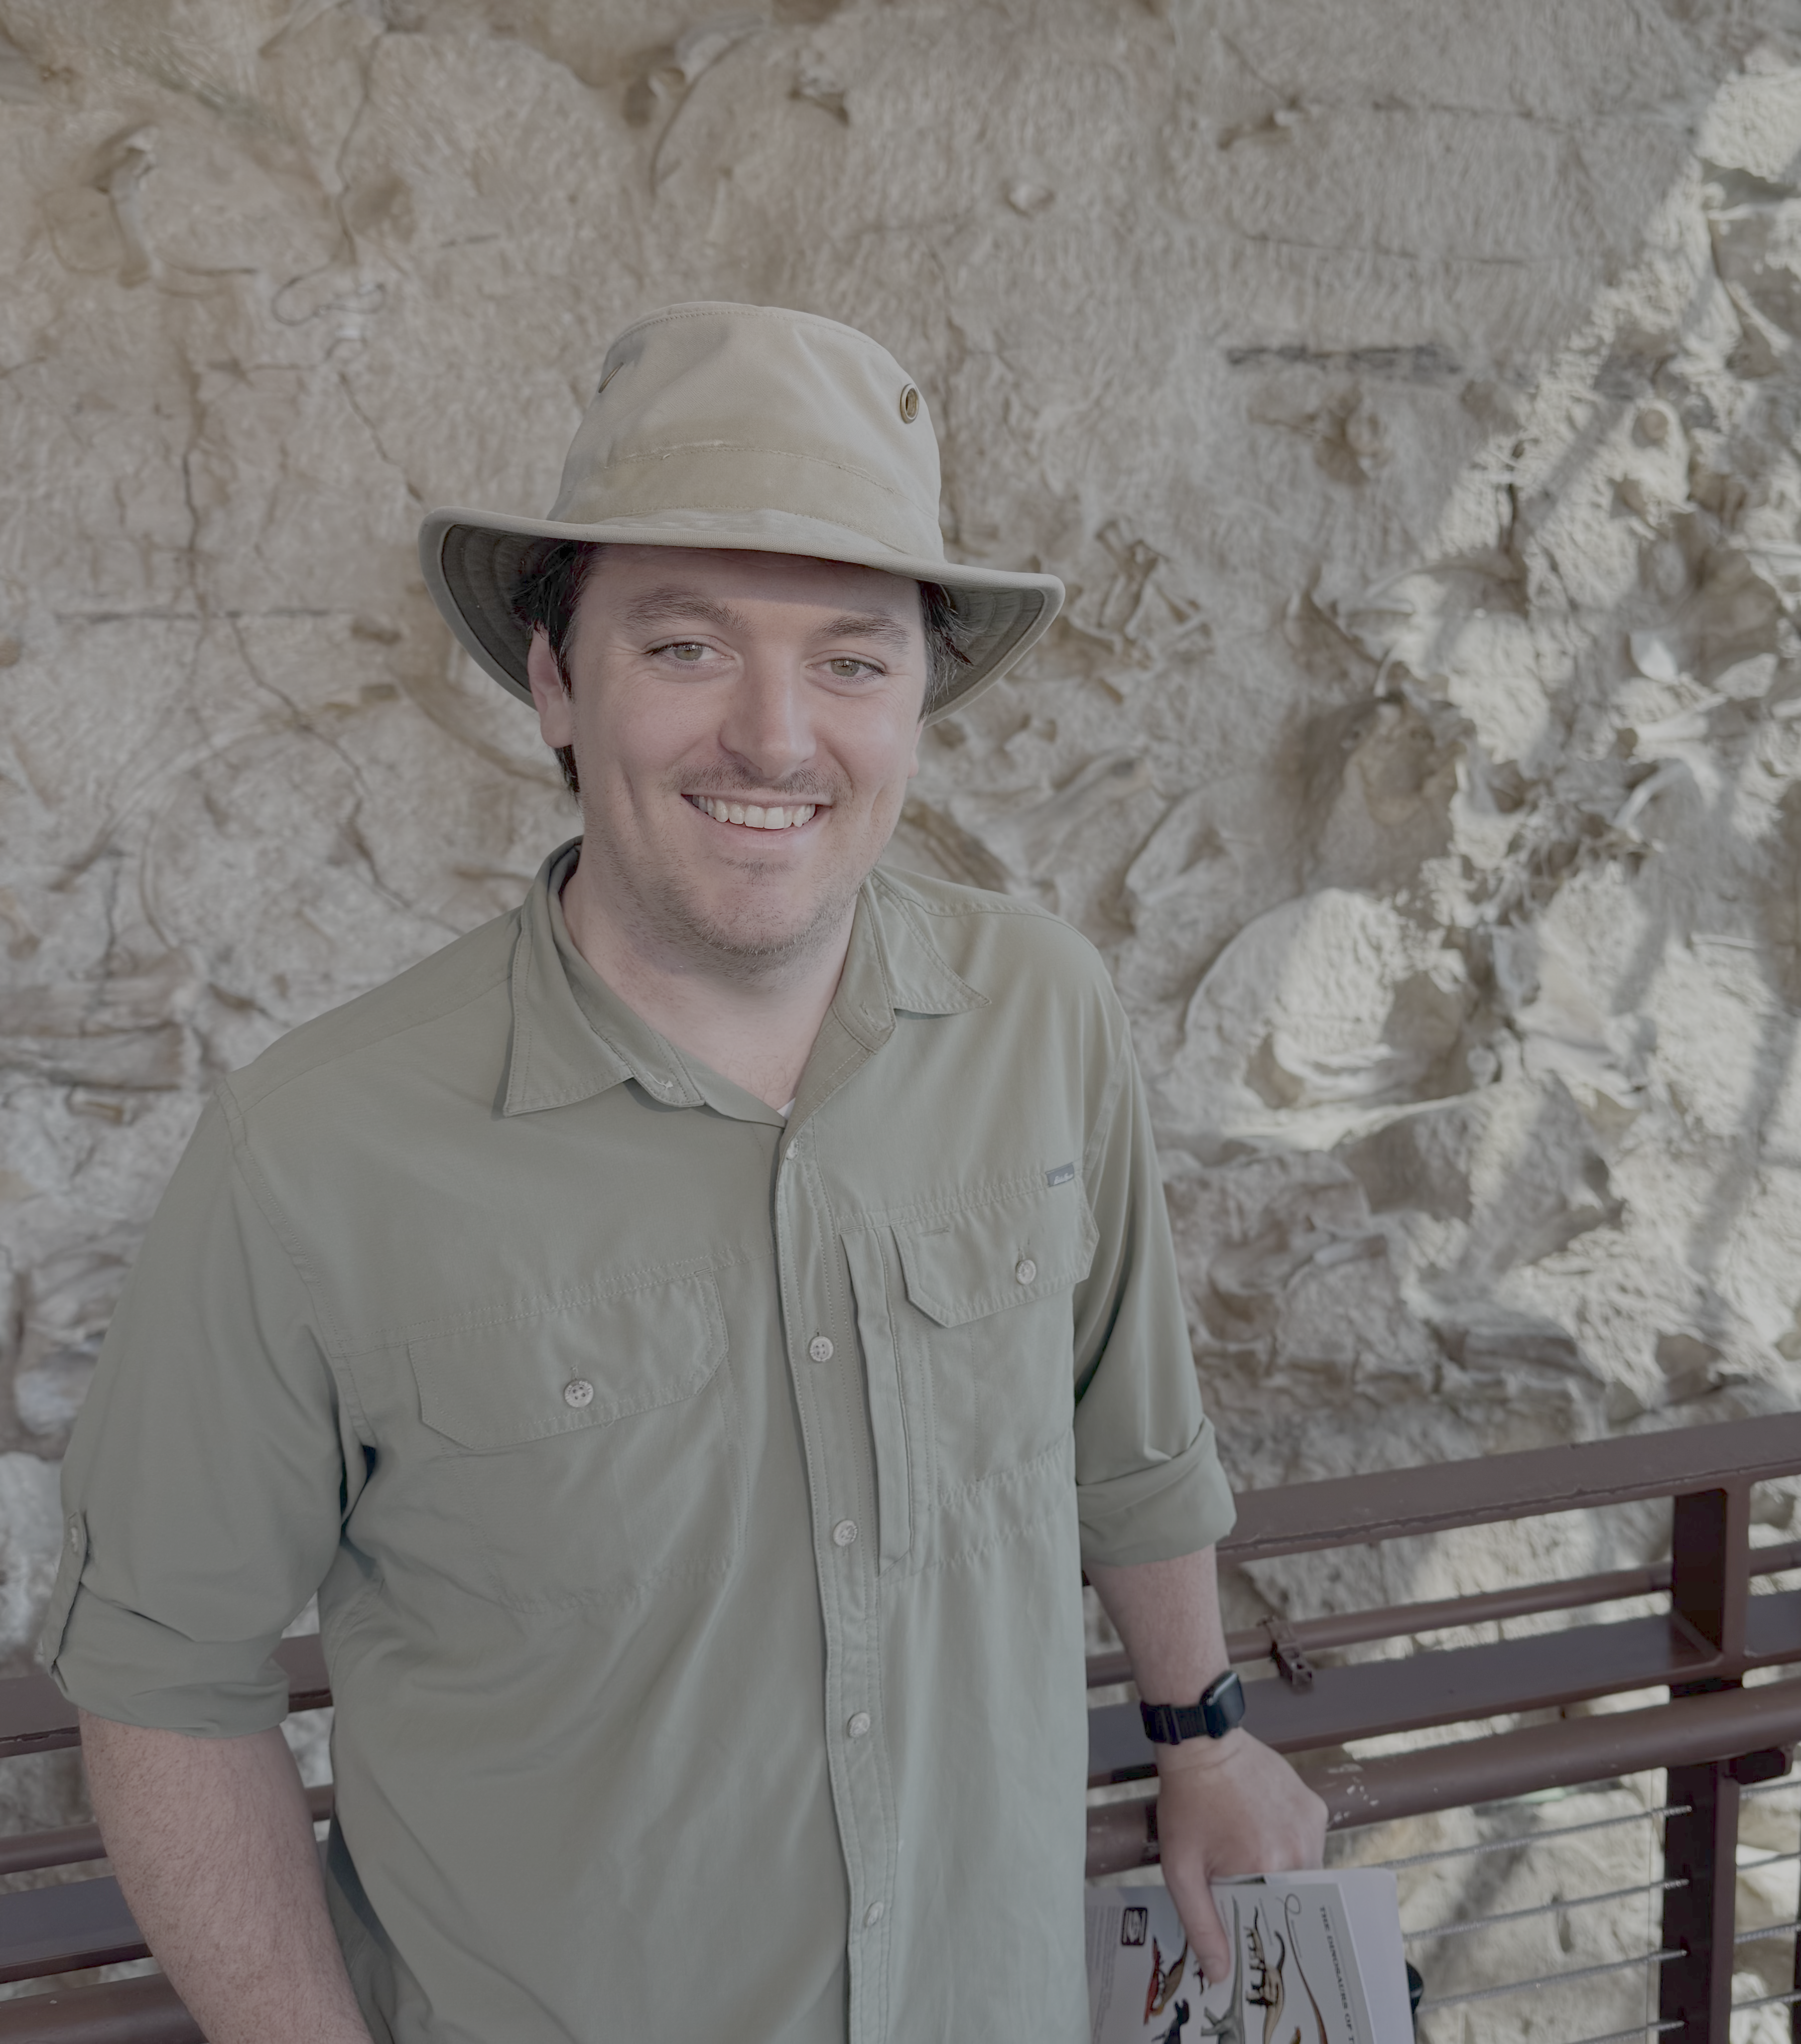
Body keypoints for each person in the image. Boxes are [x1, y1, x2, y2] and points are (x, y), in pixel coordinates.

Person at [42, 302, 1325, 2044]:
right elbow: (162, 1686)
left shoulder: (1043, 1010)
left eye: (855, 658)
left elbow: (1128, 1427)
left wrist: (1205, 1733)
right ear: (557, 678)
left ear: (921, 695)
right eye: (688, 647)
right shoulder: (311, 1156)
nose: (777, 740)